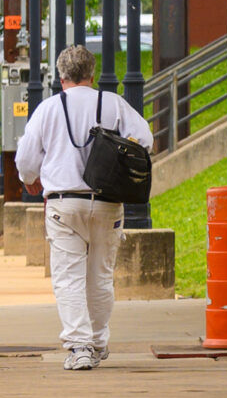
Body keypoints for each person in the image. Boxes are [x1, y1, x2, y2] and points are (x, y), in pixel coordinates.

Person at [12, 45, 152, 370]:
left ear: (60, 77)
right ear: (92, 74)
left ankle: (80, 347)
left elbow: (26, 160)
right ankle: (99, 342)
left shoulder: (48, 108)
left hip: (63, 203)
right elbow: (145, 140)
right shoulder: (113, 103)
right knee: (100, 276)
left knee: (68, 278)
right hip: (107, 201)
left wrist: (30, 179)